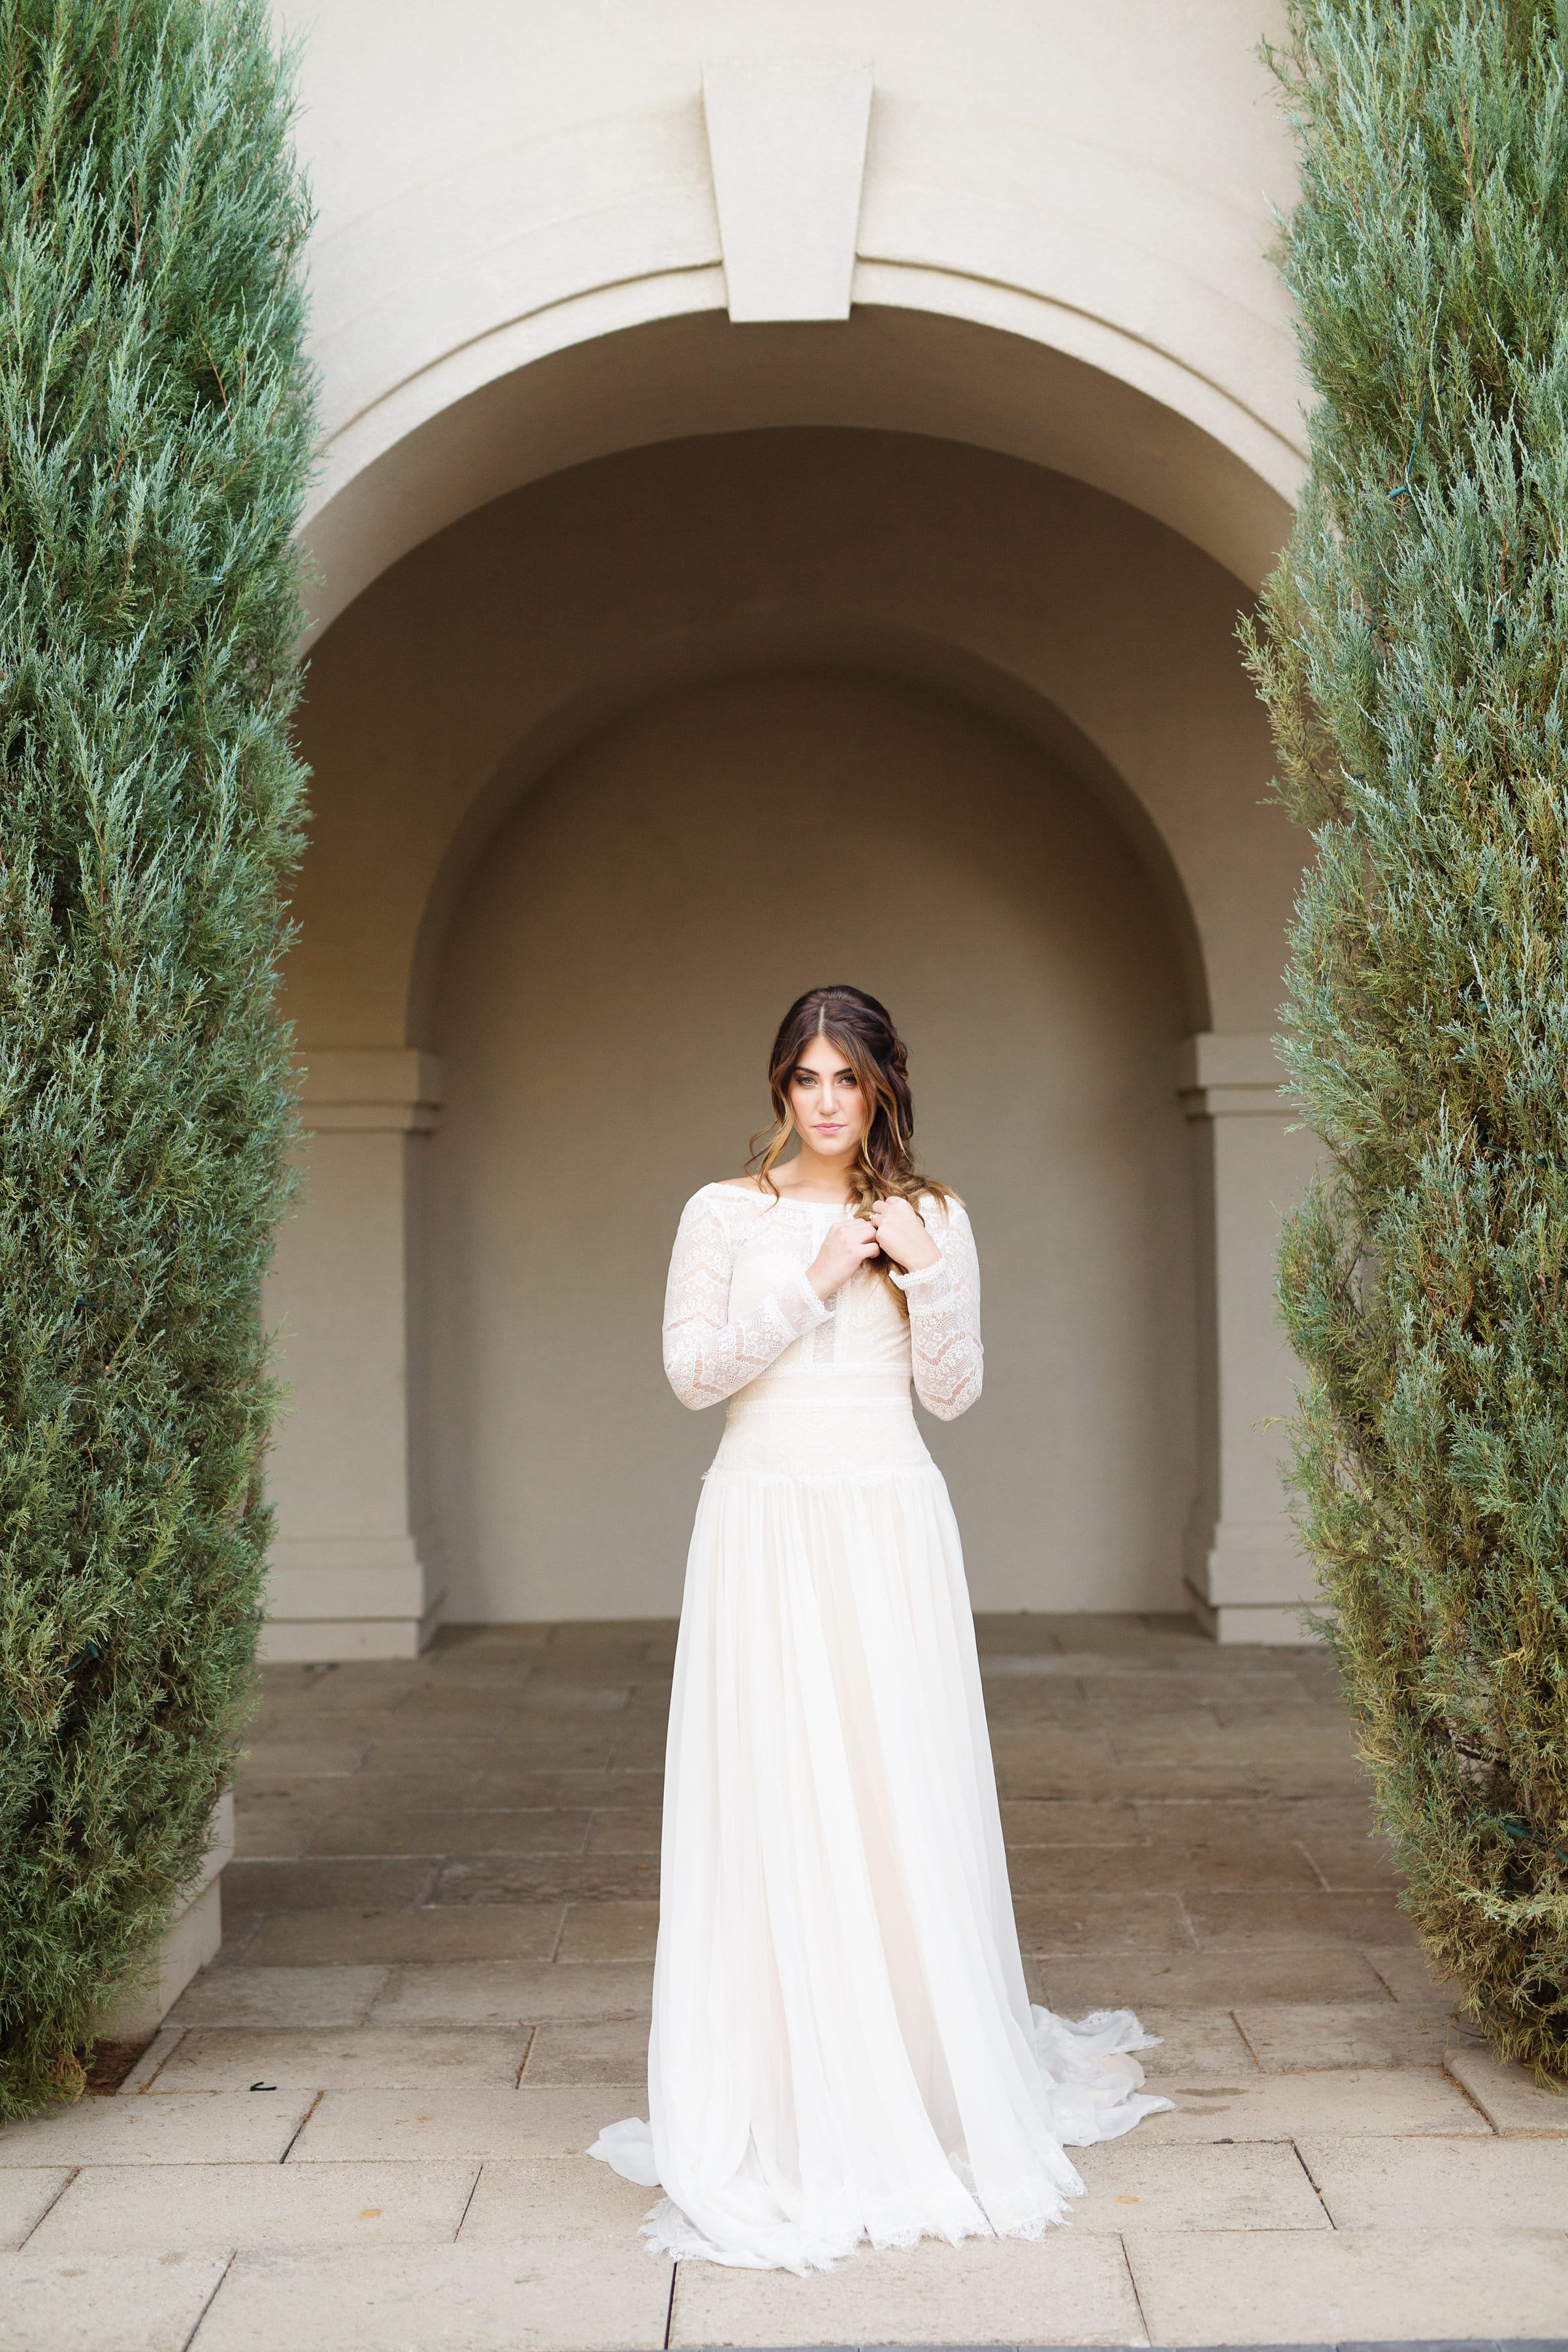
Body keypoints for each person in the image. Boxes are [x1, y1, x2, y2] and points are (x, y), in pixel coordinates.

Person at [589, 985, 1169, 2272]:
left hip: (891, 1522)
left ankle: (919, 2064)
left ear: (886, 1087)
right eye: (806, 1077)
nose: (829, 1100)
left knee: (896, 1787)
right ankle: (787, 2091)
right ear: (780, 1090)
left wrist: (925, 1271)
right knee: (780, 1790)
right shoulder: (723, 1214)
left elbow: (953, 1397)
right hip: (764, 1523)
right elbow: (693, 1375)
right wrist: (811, 1281)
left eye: (850, 1077)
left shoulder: (935, 1214)